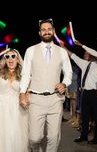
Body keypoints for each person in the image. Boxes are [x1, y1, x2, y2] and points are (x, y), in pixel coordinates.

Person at [19, 18, 72, 152]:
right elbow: (25, 74)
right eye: (43, 29)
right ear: (39, 33)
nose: (46, 31)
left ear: (53, 31)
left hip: (55, 99)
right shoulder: (30, 50)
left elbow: (68, 73)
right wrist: (21, 94)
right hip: (36, 99)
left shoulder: (62, 51)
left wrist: (64, 84)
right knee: (34, 138)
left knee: (54, 137)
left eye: (49, 29)